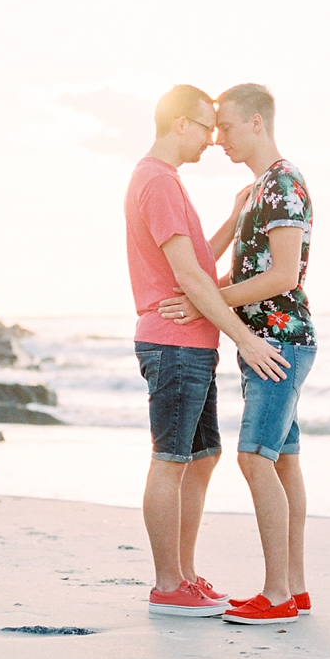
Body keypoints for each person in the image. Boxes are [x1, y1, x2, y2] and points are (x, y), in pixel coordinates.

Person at [125, 84, 292, 617]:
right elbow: (190, 279)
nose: (213, 138)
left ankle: (185, 574)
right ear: (181, 125)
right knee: (172, 460)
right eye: (206, 126)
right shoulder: (157, 180)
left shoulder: (165, 181)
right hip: (173, 345)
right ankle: (167, 583)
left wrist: (233, 215)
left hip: (190, 344)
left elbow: (197, 260)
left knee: (201, 458)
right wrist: (246, 337)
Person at [159, 83, 316, 626]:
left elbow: (281, 275)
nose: (218, 137)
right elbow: (250, 274)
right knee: (284, 461)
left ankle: (275, 596)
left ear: (256, 123)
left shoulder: (283, 184)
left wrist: (209, 301)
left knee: (255, 459)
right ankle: (294, 588)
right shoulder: (257, 191)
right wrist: (205, 299)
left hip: (279, 343)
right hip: (266, 343)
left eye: (225, 126)